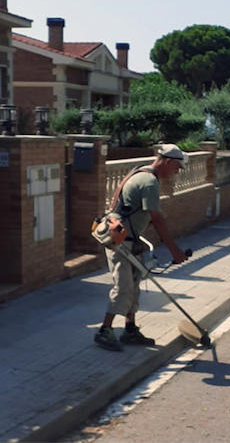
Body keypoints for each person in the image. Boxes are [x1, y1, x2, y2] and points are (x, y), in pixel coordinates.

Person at [94, 144, 190, 351]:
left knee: (135, 284)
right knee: (124, 287)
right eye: (176, 168)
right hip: (120, 240)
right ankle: (104, 331)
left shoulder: (141, 172)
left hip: (129, 239)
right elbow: (157, 219)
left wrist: (138, 240)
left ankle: (130, 329)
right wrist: (175, 251)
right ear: (168, 161)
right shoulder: (149, 182)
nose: (175, 173)